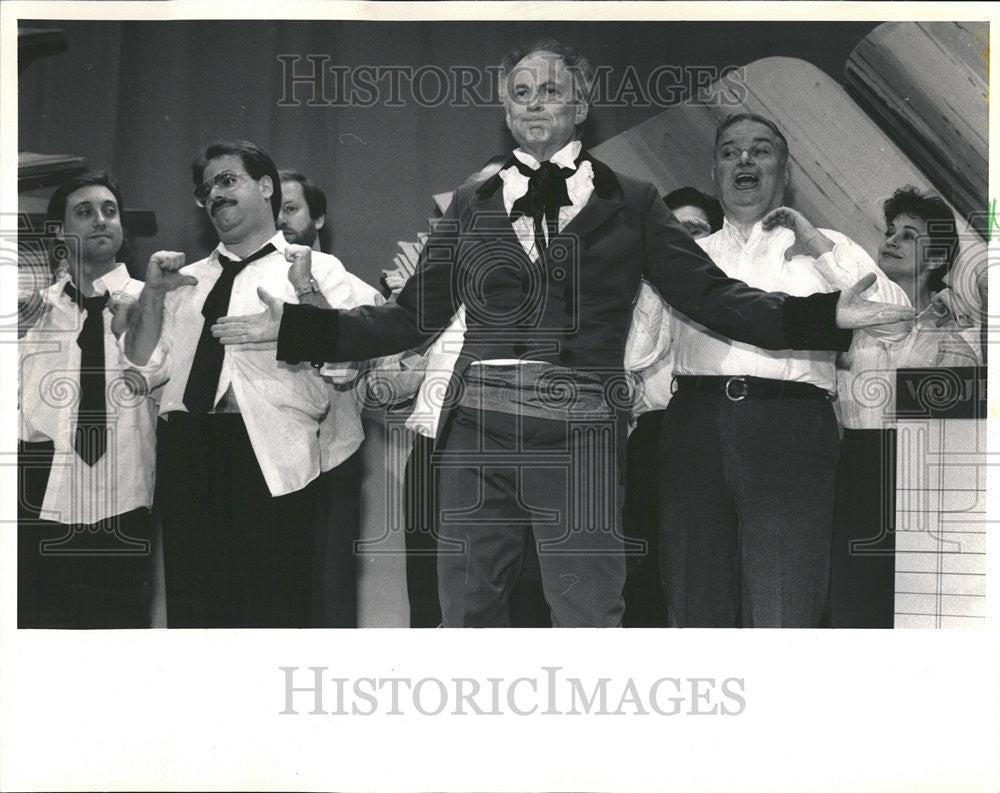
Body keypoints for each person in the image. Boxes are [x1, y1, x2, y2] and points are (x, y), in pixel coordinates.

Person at [211, 42, 913, 628]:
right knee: (469, 616)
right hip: (476, 431)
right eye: (521, 91)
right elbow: (409, 319)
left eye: (551, 89)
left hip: (580, 430)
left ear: (580, 104)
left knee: (587, 615)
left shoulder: (632, 202)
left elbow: (712, 296)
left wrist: (823, 317)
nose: (535, 102)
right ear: (507, 111)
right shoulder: (470, 204)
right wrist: (301, 325)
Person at [660, 113, 915, 628]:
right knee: (694, 602)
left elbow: (896, 323)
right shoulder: (688, 254)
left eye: (761, 150)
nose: (745, 160)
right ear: (715, 171)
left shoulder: (826, 246)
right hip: (694, 428)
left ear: (786, 170)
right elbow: (639, 355)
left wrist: (822, 250)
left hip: (790, 429)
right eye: (730, 151)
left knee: (785, 601)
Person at [121, 140, 375, 628]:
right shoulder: (183, 281)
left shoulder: (317, 270)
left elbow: (344, 366)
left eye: (227, 180)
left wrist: (305, 296)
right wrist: (152, 294)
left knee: (274, 618)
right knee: (195, 618)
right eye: (205, 188)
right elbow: (141, 369)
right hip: (187, 452)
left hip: (270, 454)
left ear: (265, 187)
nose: (214, 194)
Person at [828, 186, 979, 628]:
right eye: (890, 231)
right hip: (850, 476)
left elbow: (949, 447)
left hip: (916, 487)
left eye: (908, 235)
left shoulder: (955, 343)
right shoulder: (851, 325)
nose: (890, 240)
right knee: (850, 616)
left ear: (936, 260)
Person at [18, 172, 156, 628]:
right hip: (39, 496)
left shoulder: (154, 303)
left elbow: (159, 376)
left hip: (123, 496)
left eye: (109, 211)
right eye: (84, 211)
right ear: (59, 231)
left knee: (112, 641)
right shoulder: (30, 311)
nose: (101, 220)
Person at [622, 186, 723, 627]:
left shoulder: (732, 295)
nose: (684, 239)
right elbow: (631, 362)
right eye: (674, 230)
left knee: (705, 564)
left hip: (713, 431)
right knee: (644, 564)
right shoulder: (639, 290)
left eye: (696, 230)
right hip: (652, 435)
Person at [277, 169, 327, 250]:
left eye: (291, 209)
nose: (280, 219)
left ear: (318, 220)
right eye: (274, 211)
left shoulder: (332, 263)